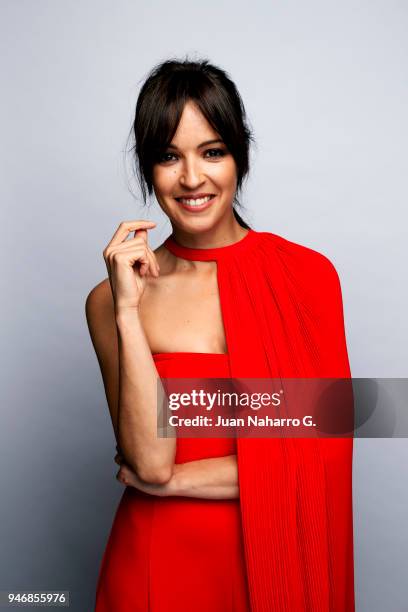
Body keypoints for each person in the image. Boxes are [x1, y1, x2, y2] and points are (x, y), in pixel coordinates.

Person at [86, 58, 355, 612]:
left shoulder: (309, 277)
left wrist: (176, 485)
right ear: (147, 169)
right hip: (156, 567)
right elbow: (148, 461)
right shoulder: (109, 299)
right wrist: (129, 314)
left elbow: (326, 452)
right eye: (168, 157)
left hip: (279, 564)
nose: (191, 179)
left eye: (212, 152)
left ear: (239, 156)